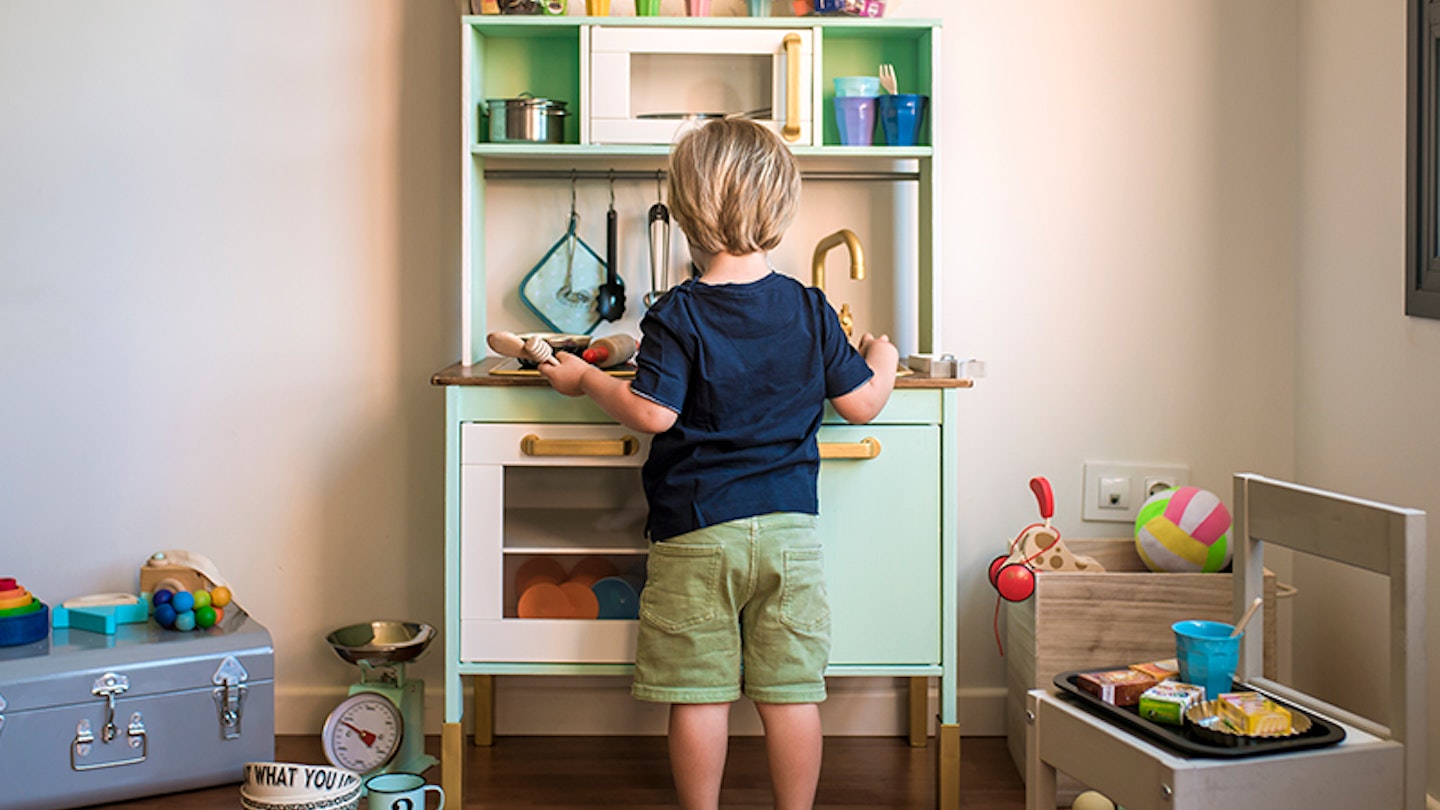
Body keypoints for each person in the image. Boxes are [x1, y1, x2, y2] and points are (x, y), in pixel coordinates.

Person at [538, 117, 898, 810]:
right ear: (779, 206)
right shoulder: (810, 307)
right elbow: (862, 404)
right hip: (789, 536)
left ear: (685, 211)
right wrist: (882, 355)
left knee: (699, 693)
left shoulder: (677, 312)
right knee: (791, 693)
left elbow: (652, 412)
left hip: (698, 532)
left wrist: (585, 379)